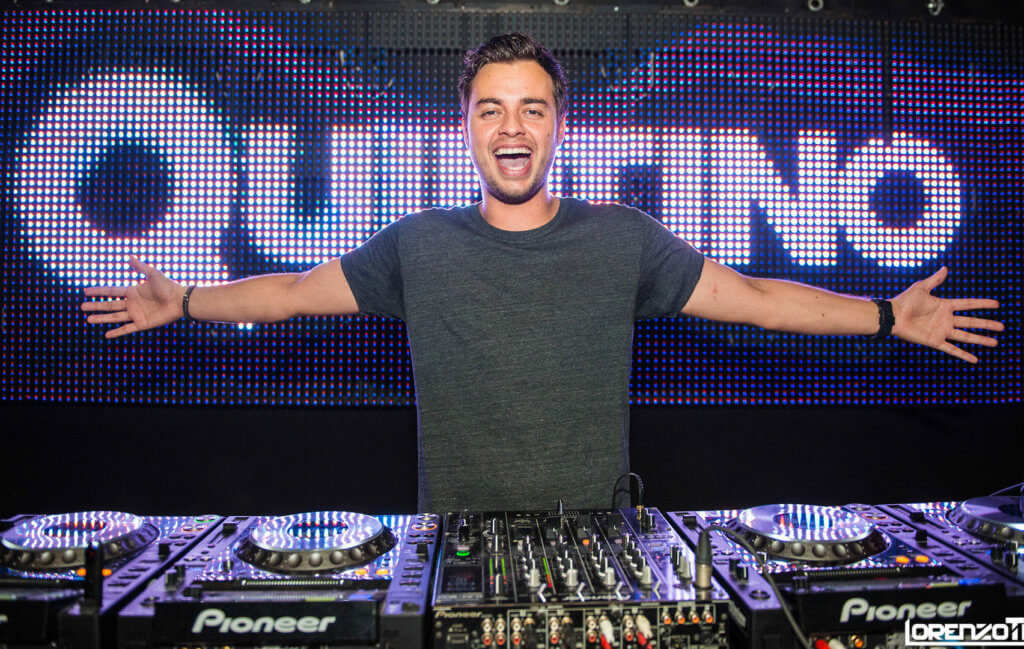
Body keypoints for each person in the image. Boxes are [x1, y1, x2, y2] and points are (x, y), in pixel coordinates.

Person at [82, 33, 1002, 512]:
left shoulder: (624, 238)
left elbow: (760, 301)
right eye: (491, 109)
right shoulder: (416, 244)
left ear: (560, 125)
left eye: (531, 108)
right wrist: (184, 299)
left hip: (596, 539)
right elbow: (286, 295)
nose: (512, 127)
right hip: (454, 545)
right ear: (468, 128)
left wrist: (888, 315)